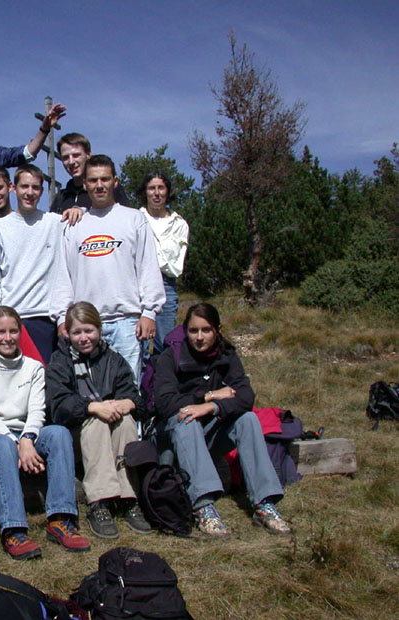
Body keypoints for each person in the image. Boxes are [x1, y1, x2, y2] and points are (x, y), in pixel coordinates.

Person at [154, 303, 292, 538]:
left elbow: (246, 397)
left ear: (217, 330)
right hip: (175, 434)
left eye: (205, 330)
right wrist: (206, 397)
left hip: (210, 429)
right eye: (193, 331)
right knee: (187, 417)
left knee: (247, 419)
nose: (199, 337)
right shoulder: (170, 356)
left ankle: (264, 503)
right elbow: (164, 403)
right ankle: (204, 505)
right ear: (185, 331)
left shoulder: (226, 355)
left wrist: (211, 406)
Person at [0, 306, 90, 560]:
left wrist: (27, 439)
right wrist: (16, 443)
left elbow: (37, 411)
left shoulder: (34, 368)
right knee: (2, 445)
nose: (7, 337)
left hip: (26, 431)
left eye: (13, 331)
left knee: (58, 433)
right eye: (0, 332)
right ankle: (13, 529)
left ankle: (61, 518)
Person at [49, 154, 165, 383]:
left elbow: (148, 268)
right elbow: (63, 276)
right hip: (86, 326)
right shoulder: (74, 226)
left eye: (105, 179)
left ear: (115, 181)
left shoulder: (134, 219)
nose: (99, 185)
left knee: (129, 390)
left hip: (127, 324)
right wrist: (62, 317)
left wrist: (149, 312)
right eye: (93, 180)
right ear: (84, 184)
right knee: (90, 393)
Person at [46, 302, 151, 540]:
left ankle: (128, 497)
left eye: (89, 330)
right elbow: (58, 404)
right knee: (96, 422)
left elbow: (134, 395)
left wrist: (128, 404)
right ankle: (100, 500)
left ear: (99, 330)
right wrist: (92, 407)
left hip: (113, 432)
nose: (84, 338)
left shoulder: (113, 360)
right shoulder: (60, 362)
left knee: (125, 422)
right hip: (76, 434)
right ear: (68, 334)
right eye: (77, 332)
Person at [0, 164, 69, 363]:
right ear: (13, 188)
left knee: (45, 384)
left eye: (36, 188)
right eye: (24, 187)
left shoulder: (57, 224)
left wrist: (78, 211)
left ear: (42, 190)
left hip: (47, 319)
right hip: (12, 319)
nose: (30, 193)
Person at [137, 171, 189, 359]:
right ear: (146, 192)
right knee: (139, 344)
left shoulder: (179, 224)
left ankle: (160, 385)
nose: (156, 193)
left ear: (167, 192)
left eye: (161, 188)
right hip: (138, 284)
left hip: (166, 284)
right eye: (152, 188)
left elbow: (176, 263)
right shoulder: (136, 219)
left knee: (164, 342)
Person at [49, 133, 130, 214]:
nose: (71, 162)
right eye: (66, 157)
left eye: (76, 155)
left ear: (88, 155)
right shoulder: (61, 197)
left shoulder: (108, 189)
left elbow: (123, 218)